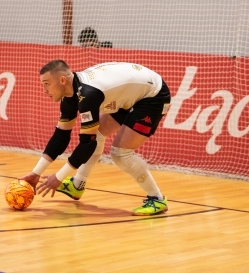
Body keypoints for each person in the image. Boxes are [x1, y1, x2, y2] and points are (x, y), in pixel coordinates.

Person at [20, 60, 171, 216]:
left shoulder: (88, 95)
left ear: (62, 80)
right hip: (129, 95)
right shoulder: (70, 96)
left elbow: (87, 145)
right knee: (97, 134)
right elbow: (60, 137)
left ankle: (157, 198)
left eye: (46, 84)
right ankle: (77, 185)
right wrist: (35, 173)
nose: (44, 90)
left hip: (153, 95)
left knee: (120, 154)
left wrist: (59, 177)